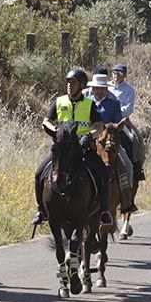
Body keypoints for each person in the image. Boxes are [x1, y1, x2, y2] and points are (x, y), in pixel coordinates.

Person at [32, 70, 112, 227]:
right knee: (39, 173)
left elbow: (99, 126)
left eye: (73, 82)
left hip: (83, 149)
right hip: (62, 150)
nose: (69, 85)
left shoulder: (90, 105)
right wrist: (56, 131)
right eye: (68, 82)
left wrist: (89, 135)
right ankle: (41, 210)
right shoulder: (59, 102)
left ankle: (103, 211)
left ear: (82, 86)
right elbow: (46, 121)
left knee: (103, 174)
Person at [88, 73, 136, 214]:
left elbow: (117, 123)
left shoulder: (114, 104)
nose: (98, 91)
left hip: (108, 141)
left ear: (106, 90)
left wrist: (106, 128)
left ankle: (127, 201)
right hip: (89, 141)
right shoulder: (86, 102)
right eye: (96, 88)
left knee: (127, 164)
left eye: (101, 89)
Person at [109, 64, 145, 182]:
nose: (116, 76)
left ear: (124, 75)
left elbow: (129, 108)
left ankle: (137, 167)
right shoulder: (106, 86)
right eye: (114, 73)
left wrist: (116, 112)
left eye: (119, 74)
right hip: (104, 120)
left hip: (121, 120)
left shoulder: (129, 90)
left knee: (134, 138)